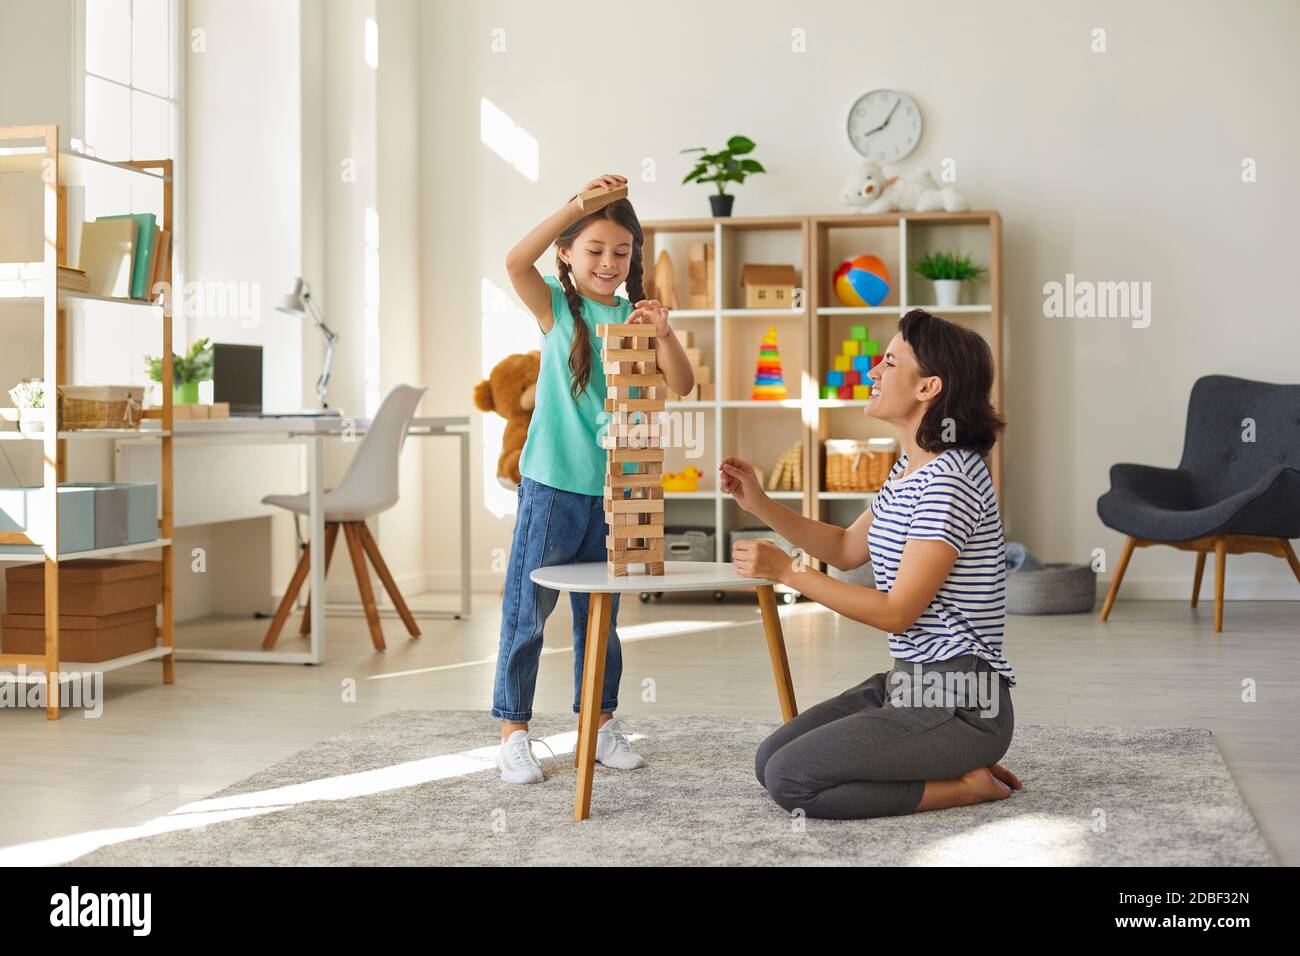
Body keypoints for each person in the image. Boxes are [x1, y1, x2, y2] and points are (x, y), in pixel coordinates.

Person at [724, 308, 1022, 817]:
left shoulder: (950, 480)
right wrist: (761, 504)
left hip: (961, 700)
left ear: (929, 387)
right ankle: (942, 762)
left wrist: (787, 573)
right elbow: (845, 548)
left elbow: (896, 612)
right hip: (906, 682)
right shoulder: (912, 466)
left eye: (889, 362)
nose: (872, 373)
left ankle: (968, 786)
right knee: (770, 759)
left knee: (790, 781)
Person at [494, 173, 695, 783]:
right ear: (568, 252)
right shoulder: (555, 306)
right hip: (552, 487)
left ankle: (600, 724)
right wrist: (575, 206)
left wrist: (664, 333)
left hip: (615, 490)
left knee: (601, 616)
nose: (609, 262)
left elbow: (682, 386)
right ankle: (513, 731)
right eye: (594, 249)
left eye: (621, 252)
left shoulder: (638, 318)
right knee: (528, 612)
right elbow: (514, 260)